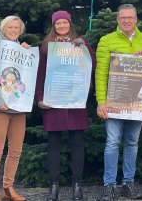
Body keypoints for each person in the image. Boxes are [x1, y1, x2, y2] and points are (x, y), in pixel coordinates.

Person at [34, 10, 96, 201]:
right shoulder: (46, 47)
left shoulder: (80, 43)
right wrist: (39, 98)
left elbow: (92, 65)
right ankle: (54, 186)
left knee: (77, 143)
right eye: (58, 24)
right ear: (54, 26)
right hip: (54, 101)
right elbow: (40, 74)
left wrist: (85, 47)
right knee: (54, 144)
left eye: (65, 23)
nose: (61, 26)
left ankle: (77, 185)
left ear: (70, 25)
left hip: (75, 101)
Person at [94, 4, 142, 201]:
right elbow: (101, 73)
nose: (127, 21)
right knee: (112, 142)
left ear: (136, 19)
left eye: (130, 17)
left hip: (137, 104)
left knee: (132, 142)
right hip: (114, 101)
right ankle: (109, 185)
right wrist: (101, 101)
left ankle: (129, 183)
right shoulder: (106, 40)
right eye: (123, 18)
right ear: (117, 20)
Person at [0, 15, 33, 201]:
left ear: (20, 31)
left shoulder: (22, 50)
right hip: (0, 108)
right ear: (3, 28)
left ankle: (7, 188)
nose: (13, 30)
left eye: (16, 28)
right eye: (10, 27)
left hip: (18, 108)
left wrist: (28, 53)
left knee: (16, 151)